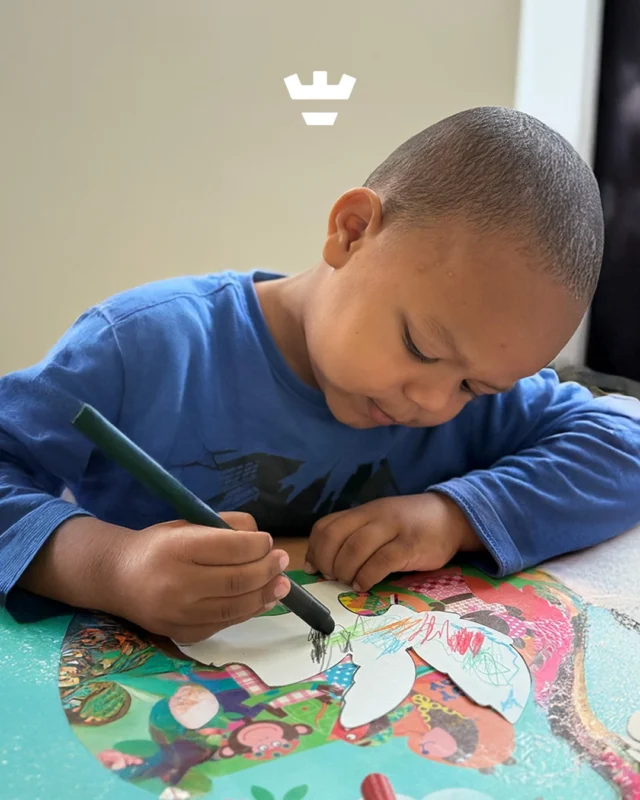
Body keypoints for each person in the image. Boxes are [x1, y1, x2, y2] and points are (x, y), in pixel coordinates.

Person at [1, 107, 638, 645]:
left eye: (476, 387)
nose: (434, 403)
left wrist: (453, 516)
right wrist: (113, 566)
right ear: (352, 231)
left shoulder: (468, 391)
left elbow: (625, 441)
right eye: (418, 345)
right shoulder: (143, 346)